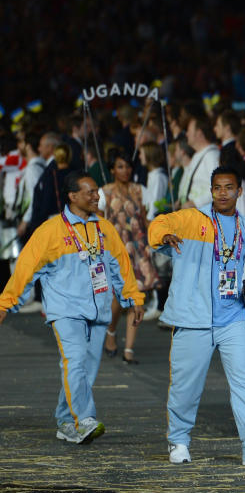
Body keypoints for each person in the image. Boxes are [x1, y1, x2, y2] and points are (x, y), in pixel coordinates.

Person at [148, 166, 245, 466]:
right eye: (217, 187)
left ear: (239, 191)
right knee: (185, 385)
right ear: (211, 191)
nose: (223, 192)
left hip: (234, 317)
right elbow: (159, 222)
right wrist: (164, 235)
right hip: (194, 318)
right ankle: (178, 441)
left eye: (229, 187)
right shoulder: (192, 219)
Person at [0, 171, 144, 444]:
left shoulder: (104, 228)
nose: (96, 196)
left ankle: (66, 422)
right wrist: (6, 304)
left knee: (85, 370)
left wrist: (133, 298)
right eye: (89, 192)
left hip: (99, 310)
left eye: (96, 191)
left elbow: (121, 265)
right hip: (65, 311)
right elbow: (25, 271)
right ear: (73, 196)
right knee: (75, 361)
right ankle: (84, 418)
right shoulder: (50, 231)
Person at [101, 151, 160, 363]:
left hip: (138, 248)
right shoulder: (103, 193)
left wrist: (156, 240)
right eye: (120, 166)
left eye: (127, 166)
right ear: (112, 170)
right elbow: (99, 223)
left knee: (137, 298)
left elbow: (147, 218)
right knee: (117, 297)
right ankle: (111, 332)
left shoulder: (140, 190)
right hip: (116, 250)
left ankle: (129, 349)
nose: (125, 171)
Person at [177, 116, 220, 209]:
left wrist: (195, 203)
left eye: (189, 131)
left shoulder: (212, 156)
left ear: (199, 133)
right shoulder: (197, 156)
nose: (187, 134)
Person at [139, 141, 170, 221]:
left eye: (141, 154)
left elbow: (155, 202)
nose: (140, 157)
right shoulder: (152, 174)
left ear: (149, 154)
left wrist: (148, 220)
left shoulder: (159, 177)